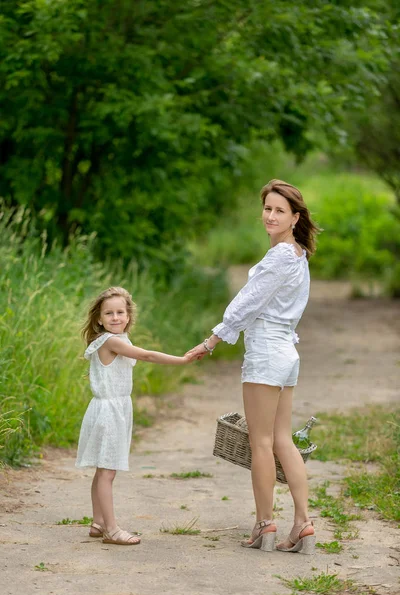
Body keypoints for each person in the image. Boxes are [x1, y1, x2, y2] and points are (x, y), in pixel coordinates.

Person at [186, 179, 320, 554]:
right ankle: (303, 524)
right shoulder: (297, 255)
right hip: (287, 353)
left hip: (267, 351)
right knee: (281, 440)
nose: (271, 216)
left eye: (280, 210)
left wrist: (213, 339)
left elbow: (248, 303)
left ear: (295, 217)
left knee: (261, 442)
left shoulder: (280, 256)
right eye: (267, 208)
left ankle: (265, 525)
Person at [76, 286, 195, 546]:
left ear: (129, 316)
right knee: (107, 472)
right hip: (109, 410)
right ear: (99, 318)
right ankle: (112, 529)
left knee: (104, 470)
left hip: (114, 408)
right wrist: (182, 360)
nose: (115, 317)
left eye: (120, 312)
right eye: (109, 313)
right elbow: (146, 355)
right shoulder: (110, 341)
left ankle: (98, 522)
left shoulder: (118, 339)